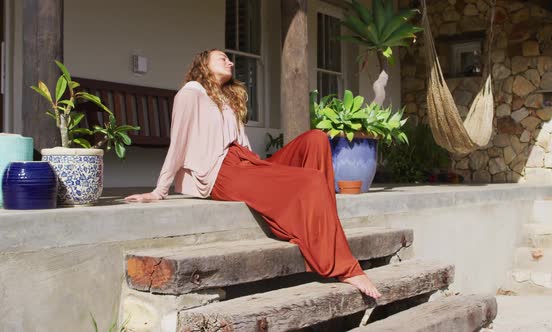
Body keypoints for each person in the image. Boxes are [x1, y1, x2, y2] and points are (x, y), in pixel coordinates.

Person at [125, 49, 382, 299]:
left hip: (245, 163)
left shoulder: (228, 98)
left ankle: (320, 231)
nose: (230, 63)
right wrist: (160, 190)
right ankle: (346, 268)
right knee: (312, 180)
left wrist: (265, 171)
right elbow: (178, 141)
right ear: (203, 64)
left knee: (315, 139)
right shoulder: (191, 93)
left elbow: (244, 146)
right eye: (222, 58)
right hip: (221, 171)